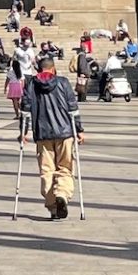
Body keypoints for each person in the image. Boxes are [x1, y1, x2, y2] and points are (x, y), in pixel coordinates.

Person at [25, 58, 81, 220]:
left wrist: (23, 130)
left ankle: (53, 207)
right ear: (53, 69)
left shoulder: (31, 84)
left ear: (39, 69)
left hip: (42, 133)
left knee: (47, 170)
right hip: (64, 132)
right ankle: (62, 194)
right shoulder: (63, 83)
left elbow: (25, 108)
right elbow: (73, 108)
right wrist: (79, 129)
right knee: (65, 167)